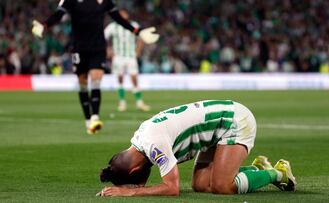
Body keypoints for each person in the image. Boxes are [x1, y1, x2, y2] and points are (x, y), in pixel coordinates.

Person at [96, 100, 297, 196]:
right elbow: (147, 173)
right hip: (214, 130)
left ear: (135, 171)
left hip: (233, 121)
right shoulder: (140, 138)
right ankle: (258, 170)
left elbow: (172, 188)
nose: (140, 183)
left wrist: (129, 193)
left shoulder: (153, 145)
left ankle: (276, 173)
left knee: (222, 186)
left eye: (137, 180)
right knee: (200, 185)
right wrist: (132, 185)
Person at [31, 0, 159, 134]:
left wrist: (137, 31)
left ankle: (95, 117)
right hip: (79, 48)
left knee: (96, 79)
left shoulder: (104, 1)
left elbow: (118, 19)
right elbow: (59, 14)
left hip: (98, 48)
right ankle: (88, 119)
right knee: (83, 84)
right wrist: (44, 25)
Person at [104, 9, 150, 112]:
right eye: (121, 14)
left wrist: (138, 50)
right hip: (118, 56)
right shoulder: (113, 27)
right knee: (120, 78)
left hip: (130, 56)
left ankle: (139, 102)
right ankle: (122, 102)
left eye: (124, 13)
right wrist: (108, 50)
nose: (123, 15)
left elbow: (141, 37)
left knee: (134, 78)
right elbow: (103, 37)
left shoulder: (133, 24)